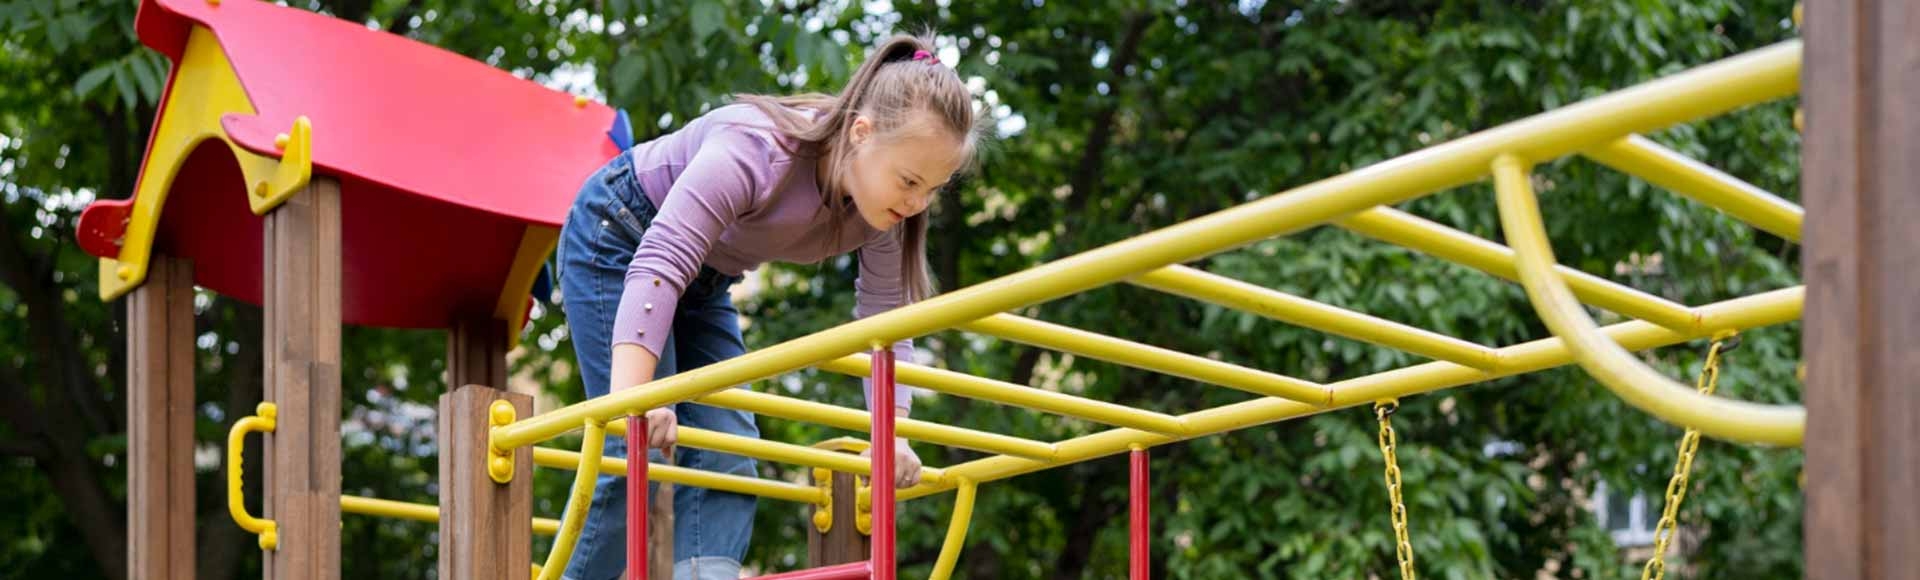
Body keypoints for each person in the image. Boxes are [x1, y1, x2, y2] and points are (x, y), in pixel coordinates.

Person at [554, 33, 982, 580]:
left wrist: (890, 436)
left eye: (934, 189)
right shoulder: (758, 147)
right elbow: (662, 260)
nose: (918, 202)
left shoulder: (886, 212)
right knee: (628, 449)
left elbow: (888, 326)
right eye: (910, 181)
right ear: (860, 133)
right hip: (620, 238)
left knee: (730, 446)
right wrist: (634, 396)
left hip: (705, 280)